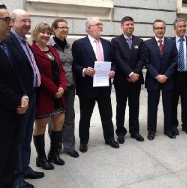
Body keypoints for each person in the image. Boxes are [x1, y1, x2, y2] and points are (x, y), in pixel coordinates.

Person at [5, 9, 44, 188]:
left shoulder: (24, 41)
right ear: (12, 22)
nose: (28, 24)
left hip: (33, 94)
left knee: (27, 135)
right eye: (24, 21)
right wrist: (23, 95)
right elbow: (14, 74)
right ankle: (17, 176)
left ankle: (25, 167)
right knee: (19, 138)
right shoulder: (8, 41)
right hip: (23, 97)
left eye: (29, 20)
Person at [72, 17, 119, 152]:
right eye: (98, 24)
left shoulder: (107, 43)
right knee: (86, 116)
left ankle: (109, 138)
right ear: (89, 28)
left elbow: (113, 61)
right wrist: (84, 70)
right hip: (87, 87)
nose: (100, 26)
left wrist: (113, 71)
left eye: (101, 24)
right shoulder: (79, 44)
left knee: (107, 114)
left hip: (104, 86)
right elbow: (74, 64)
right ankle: (84, 141)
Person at [31, 23, 67, 171]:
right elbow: (38, 74)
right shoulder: (32, 50)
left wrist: (62, 87)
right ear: (36, 34)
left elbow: (61, 70)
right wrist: (54, 89)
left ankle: (53, 153)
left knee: (59, 123)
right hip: (44, 94)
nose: (46, 35)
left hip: (58, 93)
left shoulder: (52, 50)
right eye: (42, 33)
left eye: (48, 33)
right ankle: (41, 158)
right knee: (41, 126)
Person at [0, 9, 29, 188]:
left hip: (14, 110)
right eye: (7, 20)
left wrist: (24, 96)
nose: (11, 24)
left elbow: (20, 73)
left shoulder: (6, 44)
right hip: (5, 110)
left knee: (10, 152)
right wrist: (17, 101)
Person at [48, 18, 79, 158]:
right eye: (62, 27)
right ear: (54, 29)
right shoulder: (48, 46)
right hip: (55, 88)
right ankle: (56, 146)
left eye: (66, 27)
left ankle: (69, 146)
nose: (65, 30)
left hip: (70, 86)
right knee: (54, 117)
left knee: (69, 116)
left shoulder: (70, 46)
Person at [111, 16, 145, 144]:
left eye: (132, 24)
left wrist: (135, 73)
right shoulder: (115, 41)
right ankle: (120, 132)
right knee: (121, 106)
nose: (130, 27)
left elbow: (142, 59)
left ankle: (134, 131)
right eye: (127, 25)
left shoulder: (139, 41)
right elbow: (118, 59)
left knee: (134, 106)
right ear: (122, 26)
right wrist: (130, 73)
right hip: (122, 80)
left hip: (136, 80)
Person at [144, 19, 178, 140]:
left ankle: (168, 129)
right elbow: (146, 62)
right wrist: (157, 75)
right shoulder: (147, 44)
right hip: (153, 80)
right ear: (154, 30)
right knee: (152, 107)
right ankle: (151, 130)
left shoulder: (171, 43)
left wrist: (166, 75)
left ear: (165, 29)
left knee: (168, 106)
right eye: (157, 28)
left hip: (168, 80)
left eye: (162, 28)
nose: (160, 30)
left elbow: (175, 61)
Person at [171, 18, 187, 136]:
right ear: (175, 28)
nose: (182, 28)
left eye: (184, 26)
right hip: (174, 76)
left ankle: (186, 125)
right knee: (173, 102)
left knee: (186, 102)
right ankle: (173, 125)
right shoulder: (170, 42)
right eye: (180, 26)